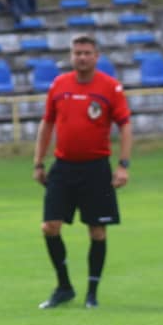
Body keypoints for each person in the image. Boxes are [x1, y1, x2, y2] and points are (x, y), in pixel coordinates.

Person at [33, 35, 131, 310]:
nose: (82, 57)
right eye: (77, 53)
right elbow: (47, 123)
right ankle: (64, 287)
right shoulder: (59, 85)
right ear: (71, 56)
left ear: (96, 56)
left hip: (96, 168)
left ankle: (92, 294)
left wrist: (123, 165)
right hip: (63, 167)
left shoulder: (110, 87)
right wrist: (38, 162)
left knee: (97, 231)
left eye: (87, 53)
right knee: (50, 226)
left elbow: (125, 125)